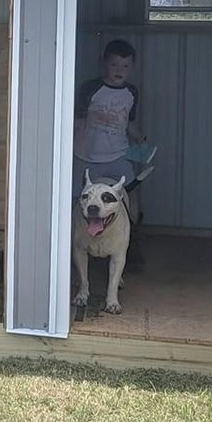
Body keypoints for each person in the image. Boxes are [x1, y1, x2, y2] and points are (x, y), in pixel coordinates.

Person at [74, 40, 153, 265]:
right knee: (77, 200)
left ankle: (132, 240)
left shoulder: (131, 92)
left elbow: (129, 123)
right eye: (114, 65)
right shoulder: (90, 89)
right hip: (85, 155)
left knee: (129, 196)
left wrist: (141, 139)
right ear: (104, 65)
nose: (120, 71)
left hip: (118, 154)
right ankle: (75, 246)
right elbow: (77, 119)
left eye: (125, 66)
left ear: (133, 67)